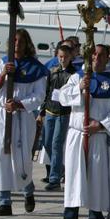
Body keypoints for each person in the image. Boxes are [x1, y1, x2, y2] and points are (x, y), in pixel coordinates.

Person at [51, 44, 110, 219]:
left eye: (101, 55)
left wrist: (101, 125)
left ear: (107, 58)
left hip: (98, 137)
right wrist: (79, 88)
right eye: (94, 54)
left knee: (96, 178)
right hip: (77, 134)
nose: (97, 58)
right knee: (74, 177)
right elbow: (61, 97)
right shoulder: (78, 77)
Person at [0, 29, 49, 216]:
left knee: (21, 156)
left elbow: (39, 95)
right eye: (13, 41)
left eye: (20, 42)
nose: (17, 45)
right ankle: (4, 201)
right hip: (2, 115)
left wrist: (19, 104)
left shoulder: (36, 68)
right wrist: (2, 76)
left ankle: (27, 189)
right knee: (2, 155)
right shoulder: (2, 63)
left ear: (26, 44)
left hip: (22, 116)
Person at [38, 44, 76, 191]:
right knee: (47, 143)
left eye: (65, 57)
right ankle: (60, 168)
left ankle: (54, 178)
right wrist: (41, 111)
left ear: (70, 57)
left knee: (56, 144)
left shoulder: (73, 74)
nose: (63, 59)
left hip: (63, 113)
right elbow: (47, 91)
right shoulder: (52, 71)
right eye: (60, 56)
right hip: (50, 110)